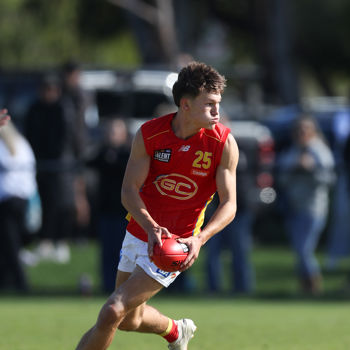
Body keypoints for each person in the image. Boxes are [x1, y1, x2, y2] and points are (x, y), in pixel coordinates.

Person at [75, 61, 238, 350]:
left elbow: (229, 204)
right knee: (127, 320)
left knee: (112, 310)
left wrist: (199, 239)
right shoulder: (150, 134)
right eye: (210, 104)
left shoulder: (223, 143)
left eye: (219, 103)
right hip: (140, 232)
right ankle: (175, 331)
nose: (217, 111)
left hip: (174, 246)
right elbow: (128, 190)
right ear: (185, 105)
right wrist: (150, 227)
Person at [24, 74, 89, 263]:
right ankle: (44, 241)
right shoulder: (35, 109)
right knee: (44, 204)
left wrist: (75, 162)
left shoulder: (64, 109)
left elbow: (71, 139)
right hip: (41, 165)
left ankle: (60, 242)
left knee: (63, 205)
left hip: (62, 166)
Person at [277, 114, 335, 295]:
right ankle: (305, 287)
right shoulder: (292, 151)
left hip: (313, 208)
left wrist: (311, 169)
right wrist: (294, 168)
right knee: (299, 250)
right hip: (294, 208)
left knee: (304, 250)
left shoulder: (319, 151)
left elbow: (329, 179)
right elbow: (281, 179)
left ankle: (314, 287)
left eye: (305, 129)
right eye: (298, 130)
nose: (301, 133)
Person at [86, 118, 131, 293]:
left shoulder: (128, 154)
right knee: (107, 252)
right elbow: (88, 161)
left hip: (125, 213)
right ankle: (107, 286)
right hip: (106, 211)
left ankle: (124, 288)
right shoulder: (102, 153)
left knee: (124, 253)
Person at [0, 120, 37, 291]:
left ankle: (21, 283)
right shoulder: (22, 144)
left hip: (7, 200)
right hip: (22, 198)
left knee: (10, 244)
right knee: (10, 243)